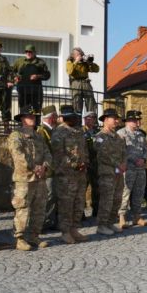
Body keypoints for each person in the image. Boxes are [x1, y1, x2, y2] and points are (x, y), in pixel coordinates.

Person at [8, 105, 52, 251]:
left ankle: (34, 235)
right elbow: (18, 155)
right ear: (22, 119)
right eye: (29, 116)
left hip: (39, 178)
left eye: (34, 116)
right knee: (22, 208)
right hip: (24, 179)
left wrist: (44, 166)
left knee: (39, 208)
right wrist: (34, 167)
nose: (32, 119)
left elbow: (47, 153)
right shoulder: (16, 135)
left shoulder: (38, 136)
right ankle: (19, 238)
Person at [51, 105, 90, 244]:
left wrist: (85, 162)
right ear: (63, 118)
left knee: (79, 203)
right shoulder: (59, 132)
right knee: (66, 204)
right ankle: (65, 231)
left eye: (73, 116)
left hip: (80, 174)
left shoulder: (79, 131)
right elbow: (58, 155)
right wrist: (75, 164)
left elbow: (84, 150)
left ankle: (74, 229)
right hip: (65, 175)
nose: (72, 119)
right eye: (69, 117)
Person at [94, 108, 127, 234]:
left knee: (117, 199)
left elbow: (124, 152)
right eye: (114, 118)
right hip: (107, 173)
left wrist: (123, 163)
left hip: (119, 173)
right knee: (106, 200)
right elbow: (102, 155)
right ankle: (101, 225)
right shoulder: (99, 137)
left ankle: (110, 222)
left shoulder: (118, 137)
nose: (117, 121)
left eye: (117, 118)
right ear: (106, 120)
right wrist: (118, 164)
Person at [117, 110, 147, 228]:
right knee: (125, 192)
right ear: (129, 121)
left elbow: (146, 149)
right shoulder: (121, 134)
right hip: (128, 169)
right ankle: (122, 217)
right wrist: (132, 160)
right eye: (136, 120)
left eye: (138, 120)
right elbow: (120, 152)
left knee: (139, 193)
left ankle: (137, 217)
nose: (138, 122)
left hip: (140, 169)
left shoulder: (140, 134)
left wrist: (144, 159)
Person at [12, 44, 51, 112]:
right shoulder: (19, 61)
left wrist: (38, 76)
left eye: (30, 52)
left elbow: (47, 75)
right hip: (23, 91)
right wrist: (15, 77)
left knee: (36, 111)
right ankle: (23, 122)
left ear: (34, 52)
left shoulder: (40, 62)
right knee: (24, 111)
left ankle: (36, 122)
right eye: (26, 51)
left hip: (36, 92)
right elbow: (11, 71)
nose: (28, 53)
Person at [37, 105, 58, 230]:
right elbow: (43, 152)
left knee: (54, 196)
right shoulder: (42, 131)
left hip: (56, 169)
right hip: (48, 170)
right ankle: (44, 222)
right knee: (48, 196)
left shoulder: (54, 130)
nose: (56, 118)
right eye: (55, 116)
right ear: (50, 118)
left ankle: (51, 220)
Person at [66, 47, 99, 114]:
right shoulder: (70, 62)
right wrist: (76, 61)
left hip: (85, 82)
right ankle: (77, 122)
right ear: (73, 55)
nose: (80, 56)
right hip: (76, 83)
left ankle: (91, 119)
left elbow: (96, 69)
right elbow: (69, 71)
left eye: (80, 54)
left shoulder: (84, 63)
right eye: (78, 54)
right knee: (76, 103)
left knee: (90, 102)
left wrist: (90, 63)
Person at [83, 111, 100, 216]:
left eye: (93, 118)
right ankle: (80, 213)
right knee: (82, 188)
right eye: (88, 118)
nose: (91, 120)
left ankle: (96, 209)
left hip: (95, 163)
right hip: (85, 163)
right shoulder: (80, 131)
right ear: (85, 119)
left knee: (97, 188)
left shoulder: (97, 132)